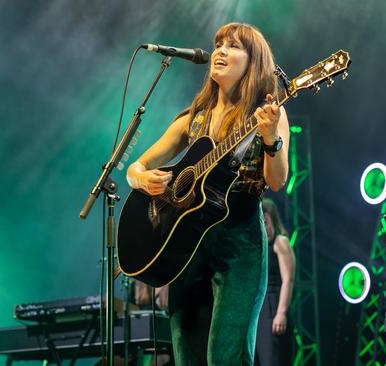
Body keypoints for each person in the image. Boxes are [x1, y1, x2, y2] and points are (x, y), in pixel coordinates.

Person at [125, 22, 290, 366]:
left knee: (226, 356)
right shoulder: (194, 118)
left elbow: (276, 182)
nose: (220, 51)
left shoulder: (268, 114)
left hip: (239, 243)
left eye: (232, 46)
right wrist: (142, 179)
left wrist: (271, 138)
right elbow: (135, 167)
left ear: (253, 61)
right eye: (218, 45)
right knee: (187, 356)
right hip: (186, 244)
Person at [255, 198, 295, 365]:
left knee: (271, 359)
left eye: (266, 220)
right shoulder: (260, 246)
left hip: (273, 305)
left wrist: (281, 313)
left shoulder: (281, 242)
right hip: (259, 307)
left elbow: (288, 280)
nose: (263, 224)